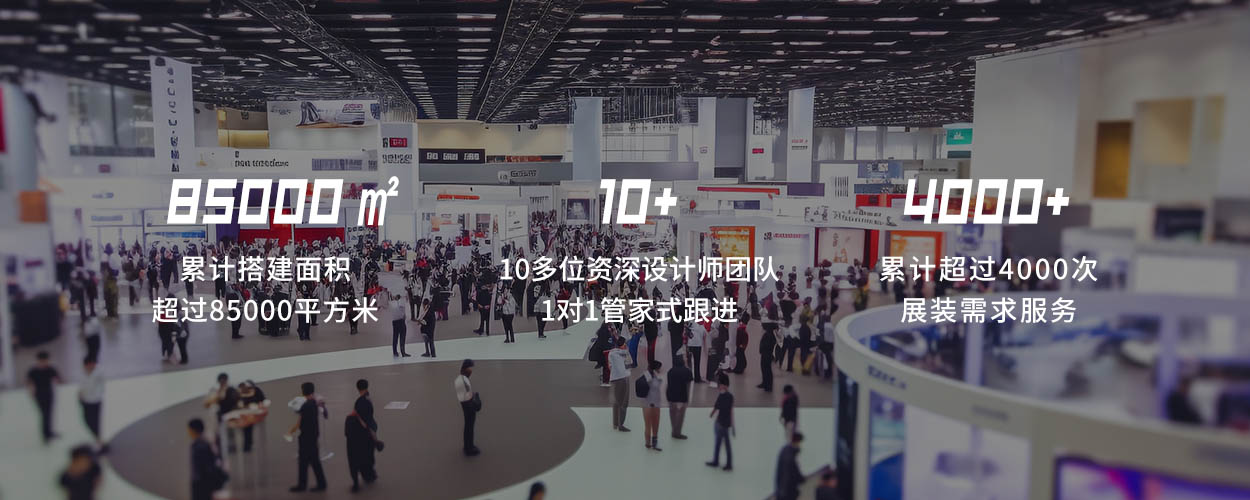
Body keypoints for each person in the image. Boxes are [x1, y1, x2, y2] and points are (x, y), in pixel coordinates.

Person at [287, 382, 327, 492]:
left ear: (303, 391)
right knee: (311, 461)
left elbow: (299, 416)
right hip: (313, 436)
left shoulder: (306, 405)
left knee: (305, 461)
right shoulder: (314, 402)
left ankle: (304, 484)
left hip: (306, 437)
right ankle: (319, 483)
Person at [345, 379, 378, 492]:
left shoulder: (360, 402)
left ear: (357, 388)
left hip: (361, 434)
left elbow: (360, 419)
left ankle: (357, 483)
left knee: (356, 458)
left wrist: (353, 415)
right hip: (370, 431)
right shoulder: (368, 398)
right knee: (368, 455)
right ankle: (370, 475)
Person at [27, 351, 61, 443]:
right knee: (44, 414)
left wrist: (58, 380)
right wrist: (31, 391)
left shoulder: (50, 369)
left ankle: (49, 432)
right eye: (42, 360)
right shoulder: (33, 371)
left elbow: (58, 378)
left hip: (49, 394)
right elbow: (29, 382)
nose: (44, 362)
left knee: (49, 414)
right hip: (39, 395)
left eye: (45, 360)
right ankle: (46, 435)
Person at [188, 418, 224, 500]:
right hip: (201, 482)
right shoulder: (202, 443)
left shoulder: (200, 445)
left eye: (189, 429)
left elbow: (206, 466)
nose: (188, 432)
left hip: (201, 482)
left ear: (193, 430)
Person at [706, 372, 734, 471]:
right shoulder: (724, 396)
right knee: (718, 443)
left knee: (726, 444)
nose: (718, 387)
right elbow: (717, 406)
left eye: (720, 384)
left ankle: (727, 463)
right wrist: (712, 414)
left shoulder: (727, 397)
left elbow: (727, 410)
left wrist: (712, 414)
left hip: (724, 424)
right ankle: (716, 461)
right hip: (720, 422)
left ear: (725, 385)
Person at [79, 356, 106, 452]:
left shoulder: (98, 373)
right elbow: (82, 385)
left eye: (93, 364)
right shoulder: (83, 373)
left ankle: (99, 442)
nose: (91, 366)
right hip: (85, 400)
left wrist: (97, 395)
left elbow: (101, 386)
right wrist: (80, 395)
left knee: (95, 422)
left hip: (95, 401)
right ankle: (98, 439)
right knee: (87, 420)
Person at [455, 359, 481, 456]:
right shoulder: (462, 380)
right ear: (465, 368)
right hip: (468, 408)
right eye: (470, 368)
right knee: (469, 427)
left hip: (466, 406)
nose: (471, 370)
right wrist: (474, 400)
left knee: (468, 427)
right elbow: (466, 397)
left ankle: (468, 446)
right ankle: (469, 448)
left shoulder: (461, 379)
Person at [640, 359, 665, 451]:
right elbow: (657, 384)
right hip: (654, 404)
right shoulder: (656, 378)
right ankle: (654, 442)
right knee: (654, 424)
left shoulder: (645, 375)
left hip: (647, 403)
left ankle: (648, 443)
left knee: (648, 425)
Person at [609, 336, 632, 432]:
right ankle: (620, 425)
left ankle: (615, 423)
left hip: (615, 378)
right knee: (623, 403)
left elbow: (611, 366)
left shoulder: (612, 353)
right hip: (623, 379)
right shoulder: (624, 353)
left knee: (617, 402)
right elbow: (630, 363)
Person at [666, 356, 692, 440]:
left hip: (671, 396)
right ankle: (677, 432)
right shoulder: (688, 371)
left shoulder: (670, 371)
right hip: (682, 397)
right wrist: (687, 398)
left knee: (672, 414)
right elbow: (688, 386)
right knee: (680, 416)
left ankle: (673, 430)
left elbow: (668, 384)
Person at [774, 432, 805, 500]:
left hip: (784, 491)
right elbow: (791, 470)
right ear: (797, 442)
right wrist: (800, 478)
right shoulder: (789, 453)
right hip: (786, 492)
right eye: (800, 443)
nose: (800, 446)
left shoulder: (787, 452)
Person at [390, 293, 410, 357]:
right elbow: (404, 315)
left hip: (394, 322)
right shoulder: (402, 304)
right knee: (402, 337)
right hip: (401, 321)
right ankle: (403, 352)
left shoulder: (392, 304)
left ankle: (395, 352)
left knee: (395, 337)